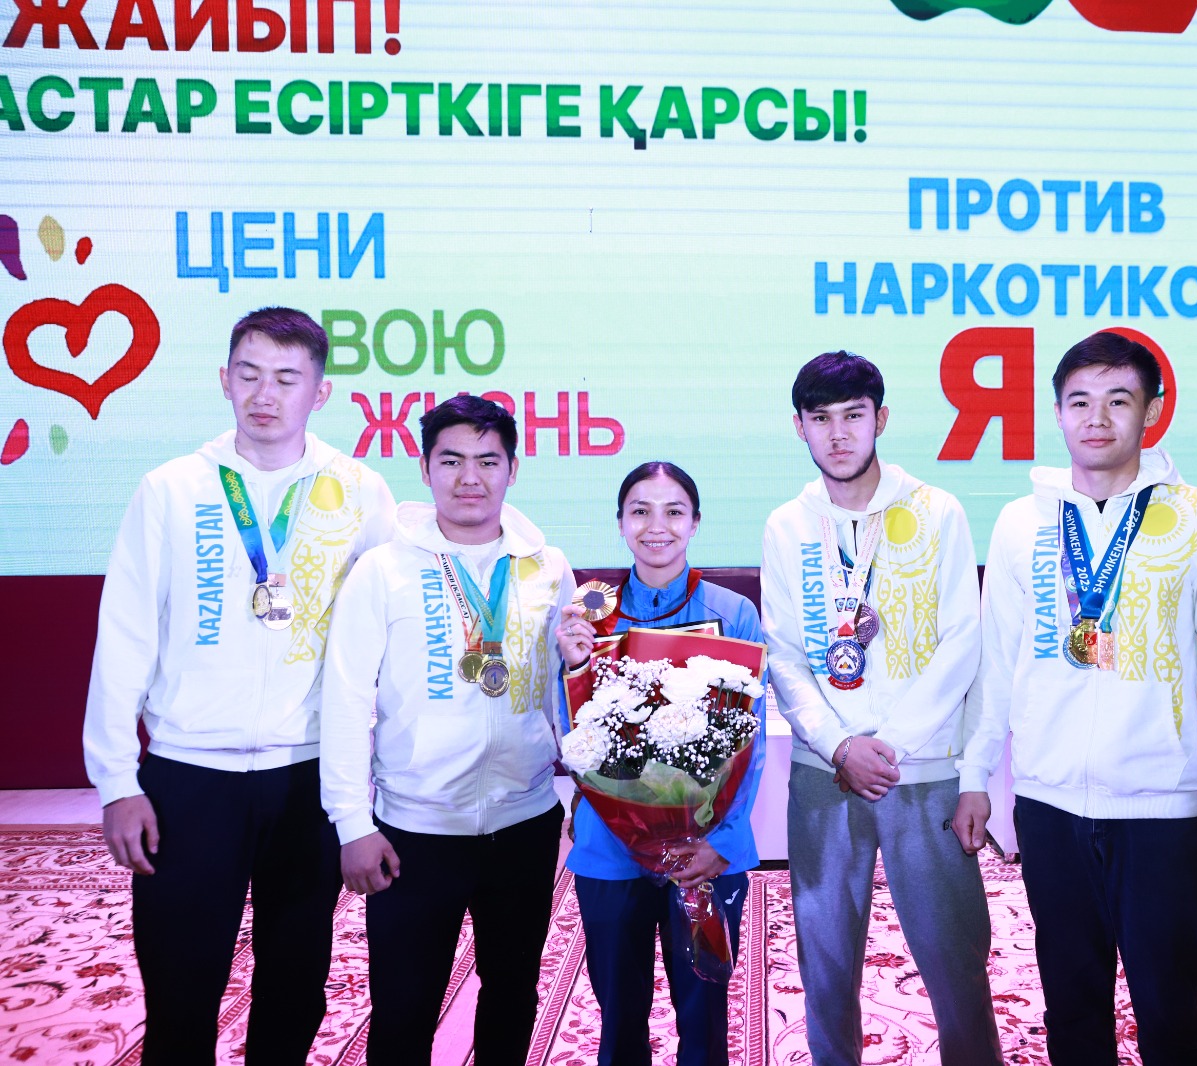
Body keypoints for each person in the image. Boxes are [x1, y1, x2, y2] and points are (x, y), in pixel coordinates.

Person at [83, 307, 396, 1064]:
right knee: (180, 988)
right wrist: (117, 781)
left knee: (295, 988)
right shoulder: (171, 489)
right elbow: (124, 634)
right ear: (224, 379)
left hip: (306, 776)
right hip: (190, 777)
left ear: (320, 393)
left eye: (287, 378)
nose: (265, 394)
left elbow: (387, 637)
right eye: (249, 375)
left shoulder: (359, 490)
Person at [954, 331, 1197, 1065]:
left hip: (1161, 808)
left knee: (1170, 1010)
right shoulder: (1022, 520)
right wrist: (975, 775)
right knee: (1072, 1006)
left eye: (1118, 400)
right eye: (1079, 401)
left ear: (1150, 411)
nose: (1097, 418)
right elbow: (997, 661)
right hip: (1049, 805)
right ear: (1057, 413)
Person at [761, 351, 1003, 1066]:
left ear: (881, 419)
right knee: (825, 963)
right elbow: (783, 654)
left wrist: (888, 744)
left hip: (920, 770)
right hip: (824, 773)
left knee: (956, 961)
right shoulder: (787, 525)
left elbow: (962, 641)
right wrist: (839, 745)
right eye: (821, 419)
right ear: (800, 427)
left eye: (853, 416)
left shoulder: (936, 511)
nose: (838, 434)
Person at [318, 395, 571, 1066]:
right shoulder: (383, 570)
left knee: (512, 996)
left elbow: (563, 692)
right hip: (414, 830)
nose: (470, 478)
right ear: (425, 467)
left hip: (524, 823)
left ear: (513, 468)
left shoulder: (548, 568)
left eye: (488, 461)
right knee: (403, 1010)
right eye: (451, 460)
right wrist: (352, 822)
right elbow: (345, 699)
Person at [553, 460, 767, 1066]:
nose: (657, 526)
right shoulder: (587, 616)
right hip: (609, 849)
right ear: (620, 522)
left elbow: (750, 743)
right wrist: (574, 666)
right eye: (640, 511)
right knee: (619, 1015)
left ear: (695, 522)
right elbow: (573, 733)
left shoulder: (734, 612)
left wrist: (721, 841)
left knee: (704, 1014)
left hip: (704, 854)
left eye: (674, 512)